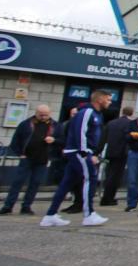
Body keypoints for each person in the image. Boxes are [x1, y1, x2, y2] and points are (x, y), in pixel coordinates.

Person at [40, 90, 112, 227]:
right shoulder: (87, 112)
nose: (110, 102)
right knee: (90, 179)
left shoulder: (97, 114)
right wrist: (85, 153)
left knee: (67, 183)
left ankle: (50, 215)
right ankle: (89, 214)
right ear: (100, 99)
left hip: (81, 151)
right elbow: (81, 132)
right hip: (79, 152)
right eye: (108, 99)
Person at [0, 104, 59, 216]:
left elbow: (62, 140)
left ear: (50, 114)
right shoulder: (26, 124)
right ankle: (8, 206)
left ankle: (26, 206)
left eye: (46, 115)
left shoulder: (55, 126)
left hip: (42, 159)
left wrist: (54, 140)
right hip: (27, 158)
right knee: (17, 182)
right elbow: (15, 141)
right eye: (41, 115)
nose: (43, 117)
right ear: (36, 112)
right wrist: (20, 153)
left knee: (35, 183)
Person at [99, 106, 134, 206]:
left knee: (109, 175)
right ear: (131, 113)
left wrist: (98, 151)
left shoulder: (111, 123)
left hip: (110, 152)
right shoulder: (130, 124)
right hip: (122, 153)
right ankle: (109, 198)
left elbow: (103, 138)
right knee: (116, 177)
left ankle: (106, 196)